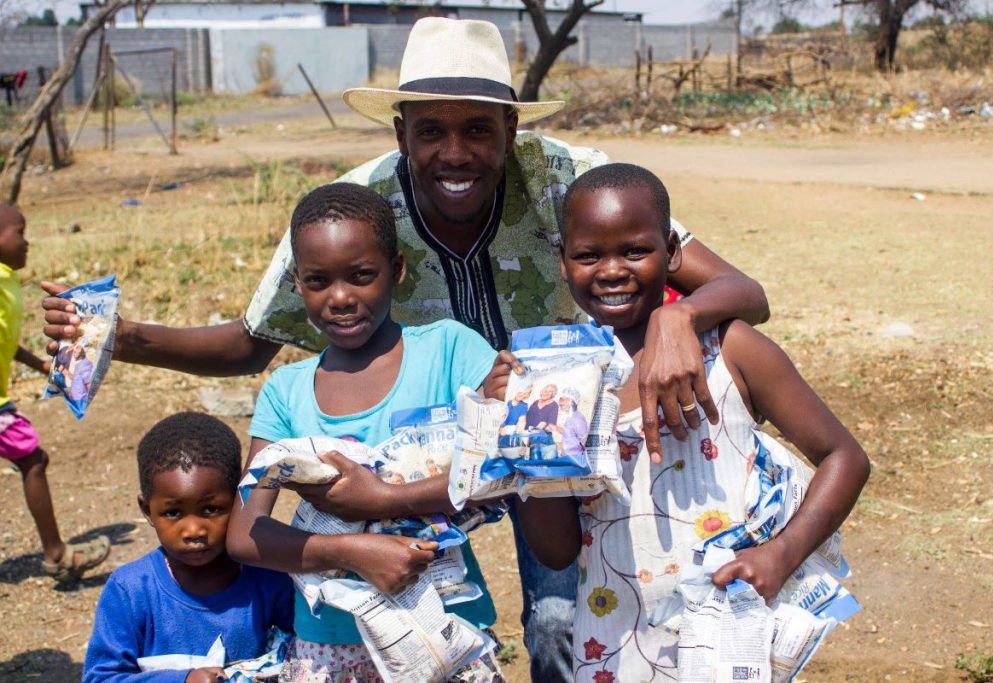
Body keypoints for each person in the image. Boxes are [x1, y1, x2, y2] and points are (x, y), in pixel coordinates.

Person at [41, 19, 769, 680]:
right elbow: (251, 342)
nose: (456, 152)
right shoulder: (356, 209)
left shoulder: (567, 178)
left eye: (479, 129)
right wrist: (127, 337)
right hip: (434, 460)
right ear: (400, 132)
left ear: (511, 127)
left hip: (557, 433)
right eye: (431, 130)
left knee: (564, 624)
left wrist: (683, 317)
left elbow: (743, 289)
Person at [510, 163, 871, 681]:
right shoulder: (559, 376)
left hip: (730, 637)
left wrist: (781, 554)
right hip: (613, 644)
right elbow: (558, 552)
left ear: (674, 251)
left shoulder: (731, 349)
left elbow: (846, 458)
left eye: (635, 250)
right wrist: (524, 443)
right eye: (588, 255)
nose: (611, 270)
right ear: (563, 263)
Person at [226, 183, 512, 682]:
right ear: (297, 283)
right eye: (318, 281)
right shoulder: (285, 392)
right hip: (331, 643)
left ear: (396, 270)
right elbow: (246, 535)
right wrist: (351, 551)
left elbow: (502, 469)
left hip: (446, 629)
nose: (340, 298)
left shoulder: (449, 352)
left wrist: (380, 500)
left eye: (361, 276)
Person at [83, 412, 295, 683]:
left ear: (238, 501)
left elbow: (306, 648)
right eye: (173, 513)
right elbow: (100, 677)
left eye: (210, 509)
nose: (193, 531)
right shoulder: (131, 591)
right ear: (147, 510)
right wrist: (183, 680)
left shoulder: (269, 580)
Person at [0, 203, 109, 583]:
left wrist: (44, 367)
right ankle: (58, 555)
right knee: (32, 459)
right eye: (19, 233)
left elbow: (7, 342)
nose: (27, 242)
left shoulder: (7, 279)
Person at [554, 387, 587, 459]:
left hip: (576, 459)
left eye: (567, 399)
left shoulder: (578, 419)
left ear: (575, 402)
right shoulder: (570, 418)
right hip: (567, 457)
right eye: (561, 399)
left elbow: (584, 440)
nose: (562, 403)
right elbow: (571, 434)